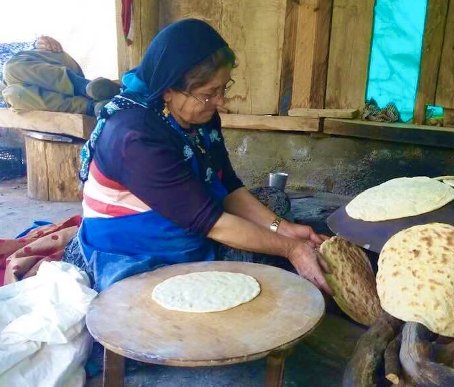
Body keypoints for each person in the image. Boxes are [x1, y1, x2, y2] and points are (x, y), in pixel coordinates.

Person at [62, 19, 332, 294]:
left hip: (194, 217)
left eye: (223, 88)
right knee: (266, 277)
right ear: (168, 90)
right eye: (209, 93)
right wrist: (291, 249)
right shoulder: (134, 136)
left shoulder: (198, 115)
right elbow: (211, 222)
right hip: (136, 250)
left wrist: (283, 229)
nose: (221, 102)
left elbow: (227, 186)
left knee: (275, 206)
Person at [1, 36, 119, 116]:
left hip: (59, 68)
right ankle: (92, 106)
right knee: (12, 94)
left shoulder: (6, 51)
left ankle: (85, 87)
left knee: (10, 69)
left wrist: (39, 41)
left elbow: (37, 45)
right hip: (56, 98)